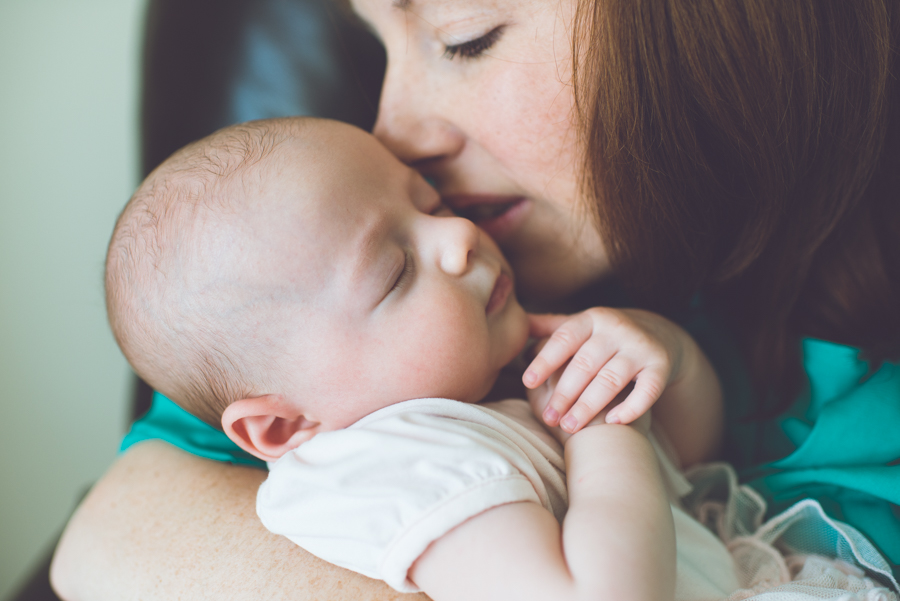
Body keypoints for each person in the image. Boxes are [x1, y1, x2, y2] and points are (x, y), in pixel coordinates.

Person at [51, 1, 900, 599]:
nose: (394, 133)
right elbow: (113, 526)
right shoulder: (346, 351)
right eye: (380, 45)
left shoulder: (466, 290)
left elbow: (692, 440)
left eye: (465, 37)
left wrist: (659, 363)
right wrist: (602, 429)